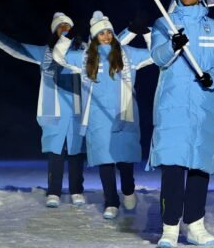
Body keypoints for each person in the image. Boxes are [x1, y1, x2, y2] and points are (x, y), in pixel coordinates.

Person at [0, 13, 139, 208]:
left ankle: (77, 190)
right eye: (60, 27)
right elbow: (17, 49)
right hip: (54, 111)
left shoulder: (84, 52)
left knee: (76, 153)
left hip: (78, 110)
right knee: (55, 153)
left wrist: (131, 29)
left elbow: (109, 44)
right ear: (54, 31)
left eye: (68, 27)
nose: (64, 30)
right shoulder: (45, 53)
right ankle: (54, 191)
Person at [148, 0, 214, 248]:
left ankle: (195, 225)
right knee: (173, 165)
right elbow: (157, 57)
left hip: (203, 105)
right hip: (173, 105)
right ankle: (170, 229)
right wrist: (173, 46)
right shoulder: (165, 23)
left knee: (199, 166)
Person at [52, 11, 153, 219]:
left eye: (109, 32)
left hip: (124, 115)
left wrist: (147, 33)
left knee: (124, 160)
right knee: (105, 161)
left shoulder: (127, 54)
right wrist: (67, 38)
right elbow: (59, 56)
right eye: (101, 33)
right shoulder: (85, 58)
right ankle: (111, 202)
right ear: (94, 36)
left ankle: (128, 189)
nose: (106, 36)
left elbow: (156, 55)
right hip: (98, 118)